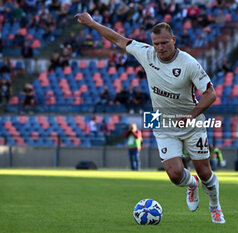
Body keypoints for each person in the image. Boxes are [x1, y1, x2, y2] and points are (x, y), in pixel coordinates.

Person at [75, 13, 225, 223]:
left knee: (205, 172)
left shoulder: (188, 63)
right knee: (175, 176)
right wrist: (91, 23)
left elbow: (211, 94)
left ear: (173, 40)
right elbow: (118, 39)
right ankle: (191, 185)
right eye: (156, 43)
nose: (160, 47)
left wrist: (191, 116)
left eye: (164, 42)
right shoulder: (146, 54)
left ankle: (215, 206)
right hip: (162, 122)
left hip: (192, 123)